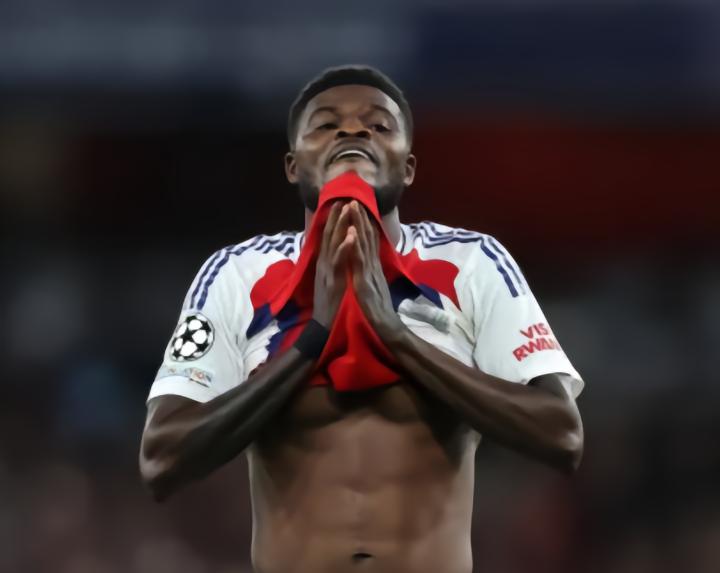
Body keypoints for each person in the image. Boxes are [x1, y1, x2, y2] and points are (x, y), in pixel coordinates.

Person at [139, 65, 585, 573]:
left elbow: (562, 436)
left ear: (408, 166)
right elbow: (161, 459)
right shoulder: (237, 274)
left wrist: (394, 335)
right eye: (326, 124)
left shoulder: (472, 263)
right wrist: (314, 339)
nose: (352, 131)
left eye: (378, 124)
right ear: (292, 165)